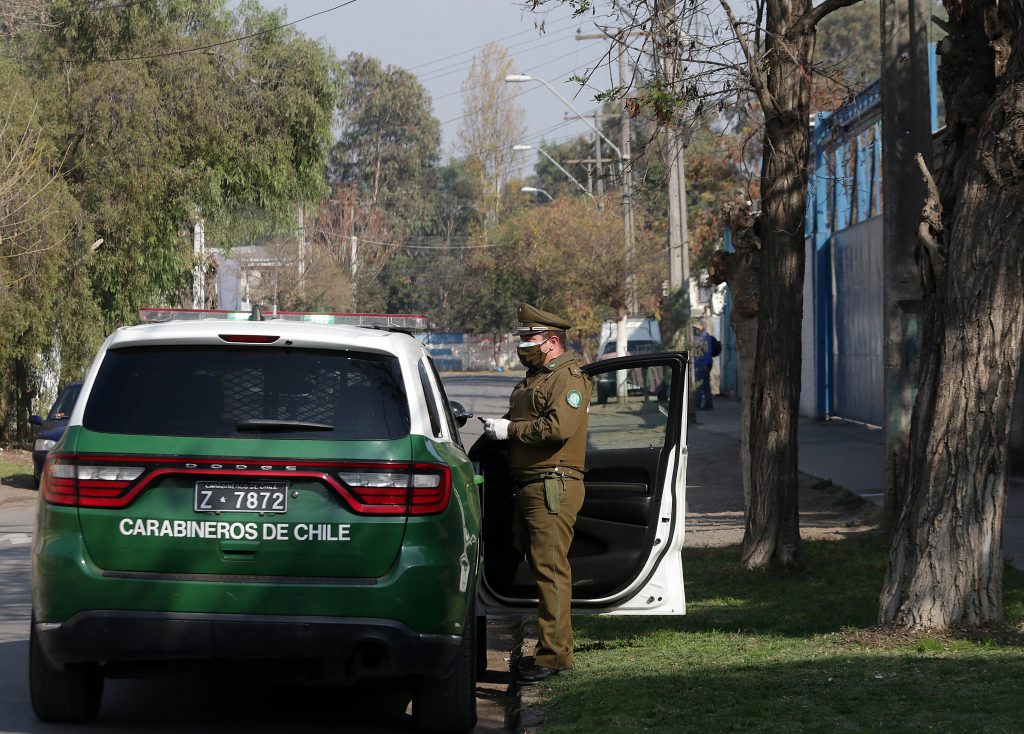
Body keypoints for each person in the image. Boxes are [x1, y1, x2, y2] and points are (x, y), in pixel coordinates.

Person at [482, 304, 593, 684]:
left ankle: (554, 658)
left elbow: (557, 427)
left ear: (552, 341)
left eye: (530, 338)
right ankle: (551, 651)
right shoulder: (536, 378)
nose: (523, 344)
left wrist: (509, 431)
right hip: (533, 483)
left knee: (551, 571)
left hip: (553, 483)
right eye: (522, 337)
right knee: (543, 569)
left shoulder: (569, 379)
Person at [693, 319, 720, 410]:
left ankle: (698, 404)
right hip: (701, 363)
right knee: (705, 384)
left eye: (697, 326)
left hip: (703, 364)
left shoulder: (705, 338)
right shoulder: (700, 337)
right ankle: (708, 403)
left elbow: (707, 353)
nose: (695, 328)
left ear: (701, 326)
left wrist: (705, 364)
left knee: (699, 384)